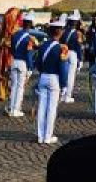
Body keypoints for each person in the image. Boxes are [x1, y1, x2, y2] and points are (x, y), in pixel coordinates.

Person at [34, 16, 70, 145]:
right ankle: (47, 136)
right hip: (54, 78)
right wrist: (64, 84)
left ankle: (40, 136)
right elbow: (63, 68)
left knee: (42, 106)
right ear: (60, 32)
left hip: (43, 76)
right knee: (51, 109)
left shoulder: (43, 46)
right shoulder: (61, 48)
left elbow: (37, 63)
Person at [7, 12, 37, 117]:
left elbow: (11, 49)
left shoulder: (15, 35)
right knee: (20, 87)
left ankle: (11, 107)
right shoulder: (29, 38)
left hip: (14, 61)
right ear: (30, 24)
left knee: (14, 85)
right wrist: (30, 67)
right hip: (23, 63)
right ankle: (16, 109)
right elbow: (28, 54)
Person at [0, 6, 22, 103]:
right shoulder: (6, 30)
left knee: (8, 70)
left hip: (10, 52)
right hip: (5, 51)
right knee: (2, 69)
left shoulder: (15, 28)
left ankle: (6, 91)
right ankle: (2, 91)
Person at [60, 10, 84, 104]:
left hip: (64, 52)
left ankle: (62, 94)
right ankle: (68, 96)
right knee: (70, 76)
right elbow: (78, 46)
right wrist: (80, 59)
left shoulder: (63, 31)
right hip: (73, 53)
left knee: (63, 73)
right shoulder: (78, 33)